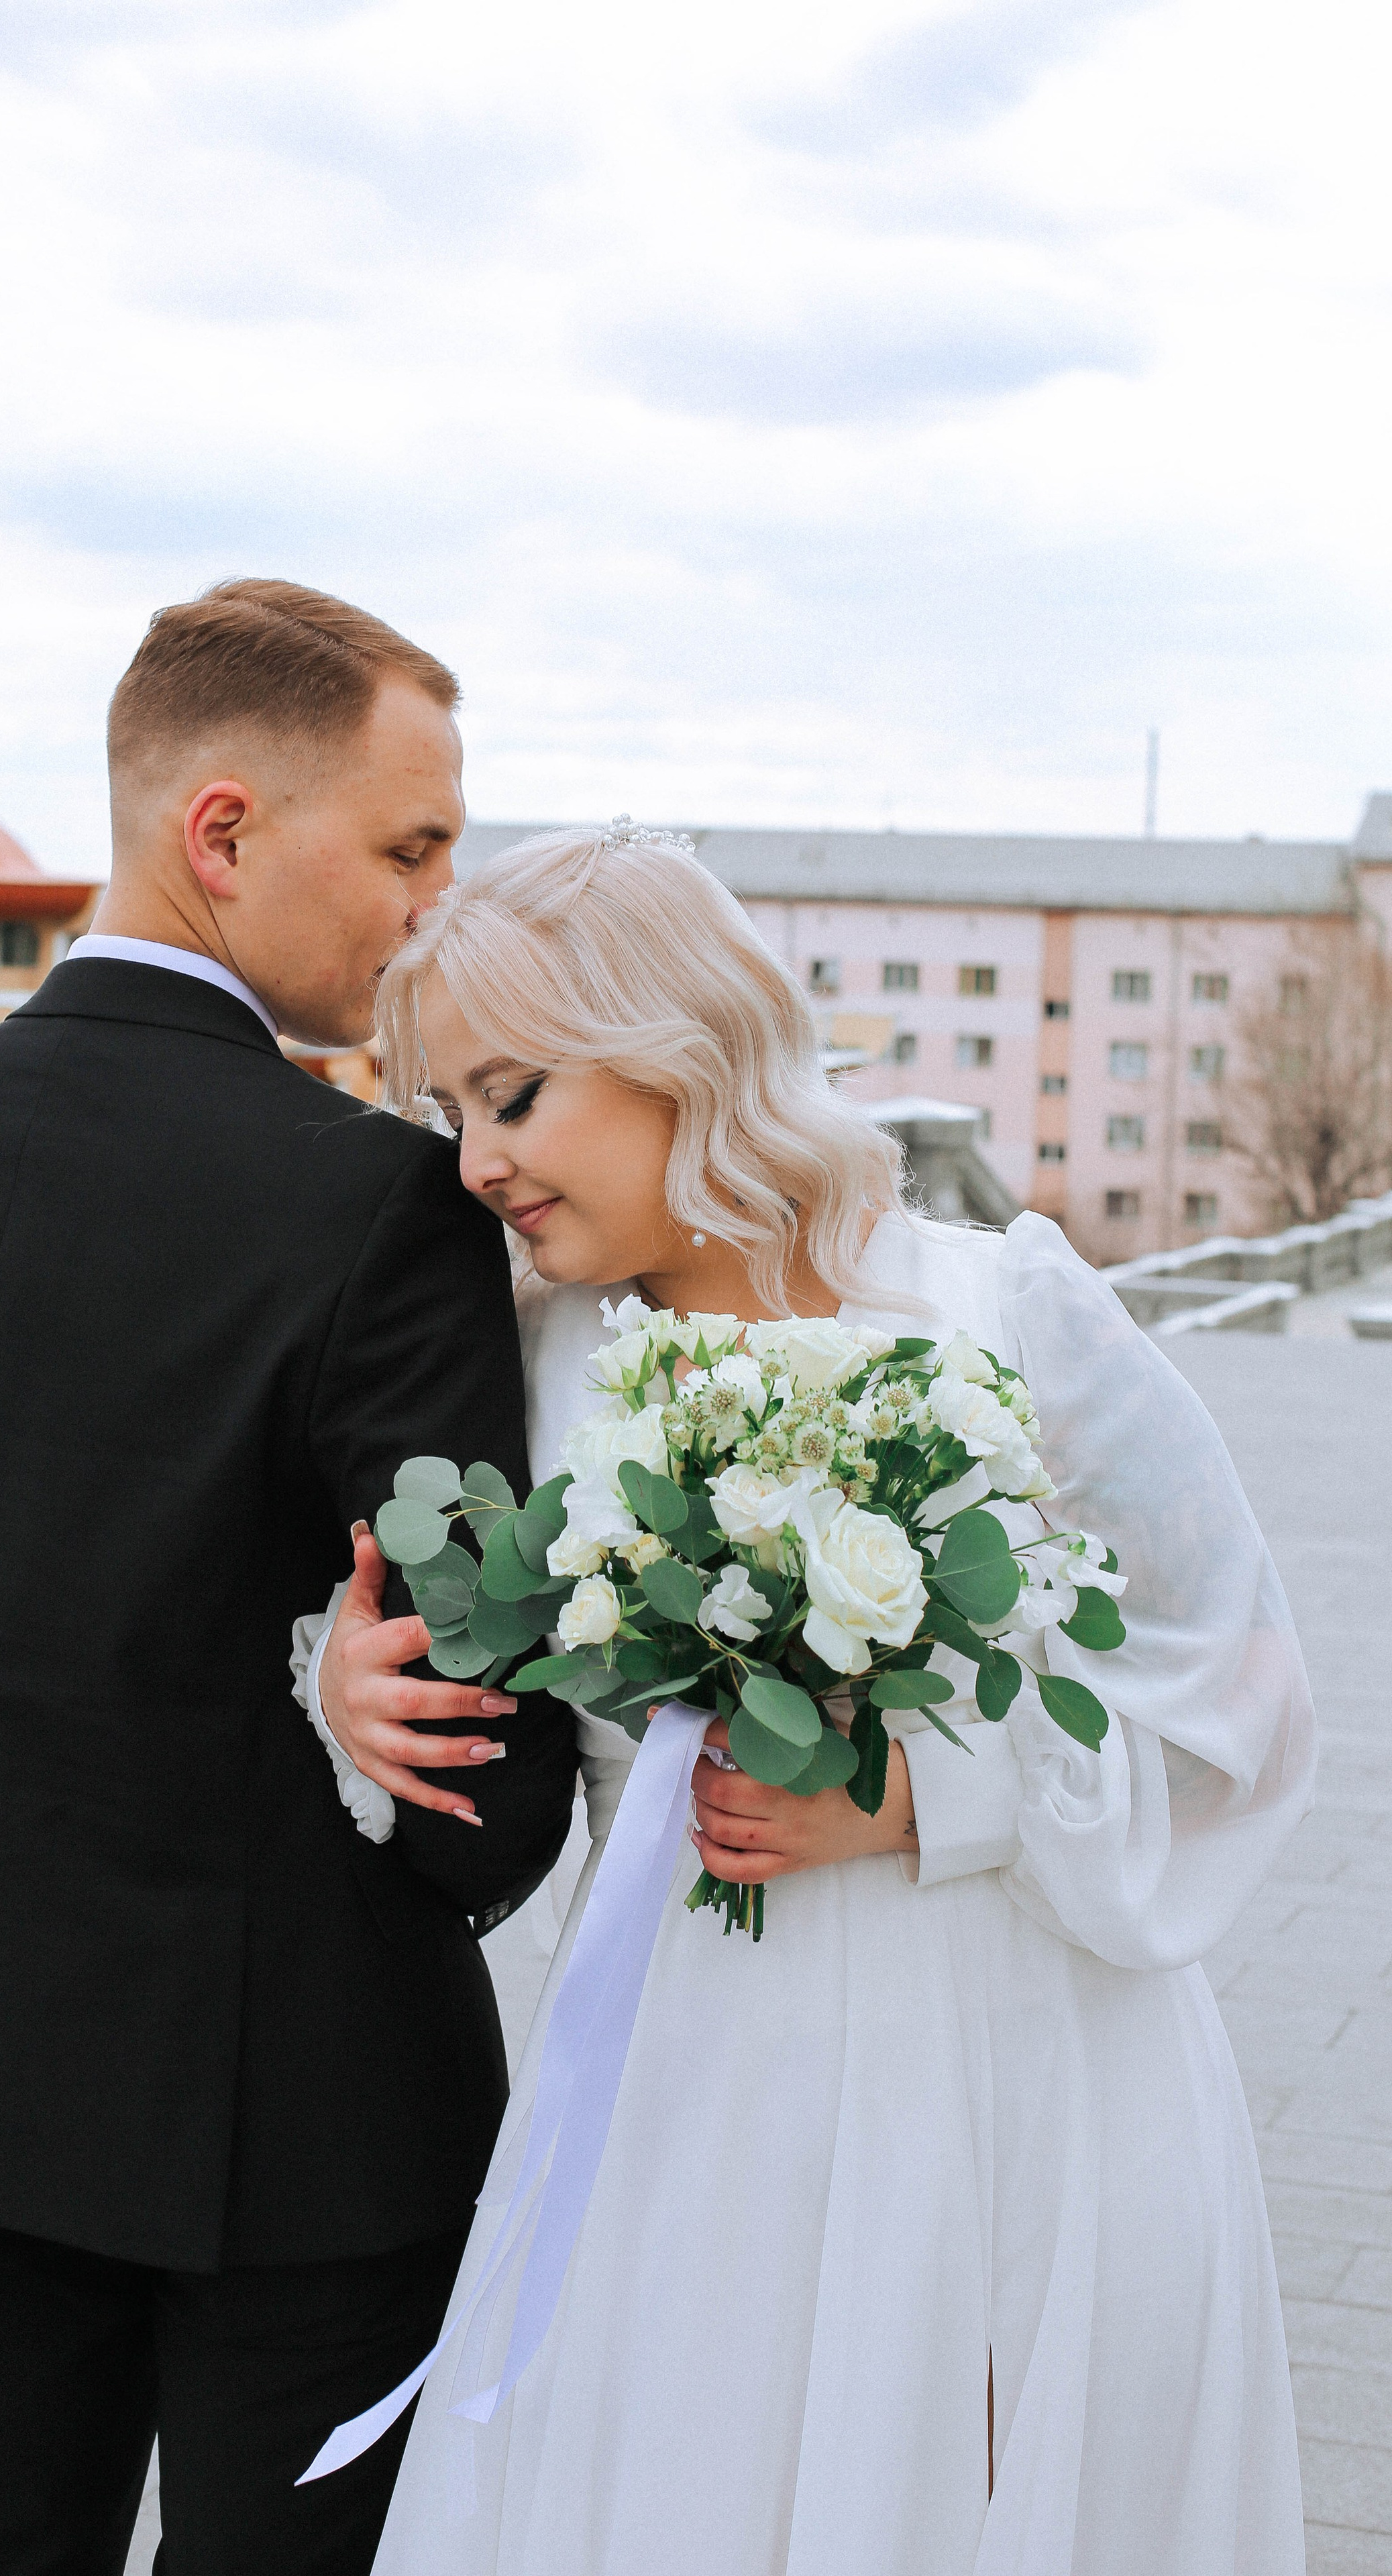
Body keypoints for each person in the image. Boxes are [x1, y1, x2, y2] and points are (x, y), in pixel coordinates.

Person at [305, 821, 1315, 2576]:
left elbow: (1241, 1688)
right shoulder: (528, 1360)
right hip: (693, 2085)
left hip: (1015, 2059)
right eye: (447, 1113)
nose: (475, 1163)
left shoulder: (1006, 1304)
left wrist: (930, 1802)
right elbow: (454, 1667)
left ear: (676, 1047)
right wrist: (342, 1680)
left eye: (515, 1096)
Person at [0, 580, 579, 2575]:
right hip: (304, 2126)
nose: (434, 908)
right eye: (408, 847)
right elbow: (487, 1771)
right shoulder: (381, 1200)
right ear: (222, 833)